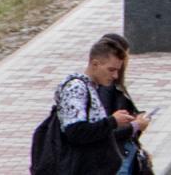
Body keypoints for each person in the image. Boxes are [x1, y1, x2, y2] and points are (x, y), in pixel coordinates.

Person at [47, 36, 145, 175]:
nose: (116, 75)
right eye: (111, 70)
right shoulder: (76, 88)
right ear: (95, 64)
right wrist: (113, 121)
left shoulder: (91, 87)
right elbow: (75, 132)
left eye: (117, 70)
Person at [93, 33, 150, 175]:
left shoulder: (111, 86)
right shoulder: (107, 88)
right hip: (116, 159)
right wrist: (136, 125)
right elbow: (106, 130)